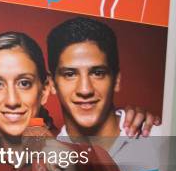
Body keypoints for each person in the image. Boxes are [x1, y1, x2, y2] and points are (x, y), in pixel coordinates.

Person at [46, 16, 161, 160]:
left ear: (116, 80)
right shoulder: (48, 162)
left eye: (97, 73)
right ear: (51, 84)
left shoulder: (160, 141)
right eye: (70, 74)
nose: (85, 90)